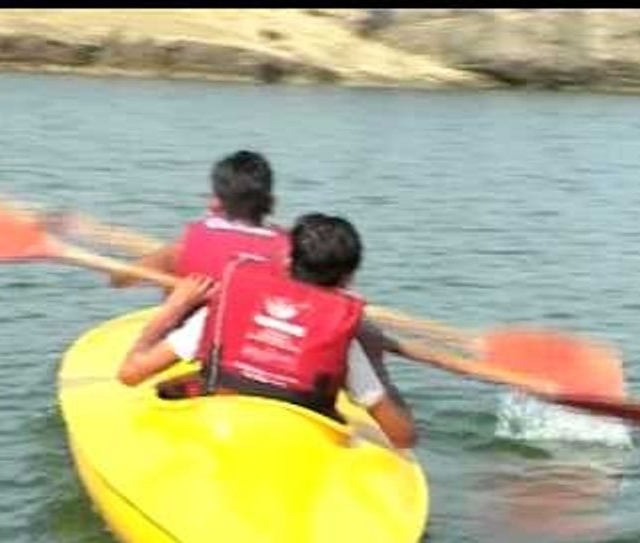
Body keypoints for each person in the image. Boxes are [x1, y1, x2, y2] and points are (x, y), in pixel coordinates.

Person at [117, 213, 417, 450]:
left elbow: (130, 374)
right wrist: (376, 360)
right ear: (348, 279)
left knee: (181, 385)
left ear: (288, 262)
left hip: (220, 440)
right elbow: (402, 437)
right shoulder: (341, 336)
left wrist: (174, 308)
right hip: (296, 451)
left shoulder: (225, 307)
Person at [108, 149, 287, 287]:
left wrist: (168, 265)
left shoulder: (184, 246)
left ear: (216, 202)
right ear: (270, 201)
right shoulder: (289, 250)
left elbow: (119, 280)